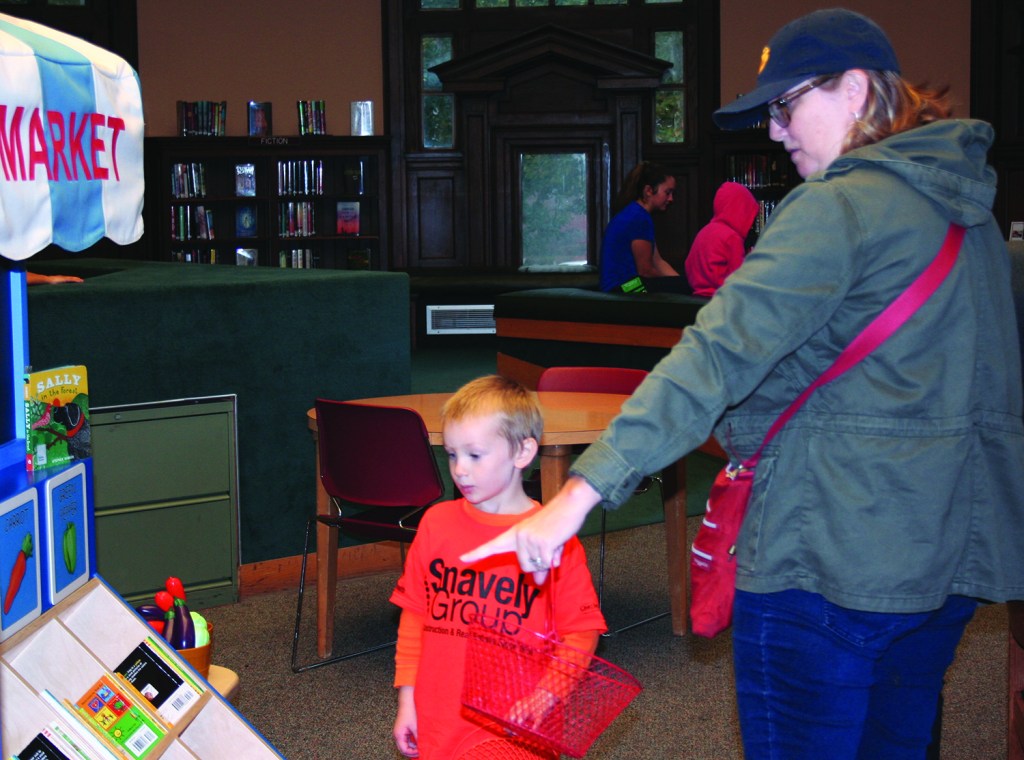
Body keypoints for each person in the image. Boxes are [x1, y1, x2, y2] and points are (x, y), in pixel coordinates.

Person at [462, 8, 1024, 759]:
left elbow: (710, 358)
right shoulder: (975, 216)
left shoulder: (837, 205)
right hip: (945, 561)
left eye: (787, 105)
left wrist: (575, 499)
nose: (775, 128)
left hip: (826, 557)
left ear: (855, 89)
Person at [390, 375, 606, 759]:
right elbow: (413, 618)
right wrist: (408, 698)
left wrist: (547, 695)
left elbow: (583, 631)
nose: (460, 470)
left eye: (475, 455)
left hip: (516, 725)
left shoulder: (551, 536)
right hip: (439, 717)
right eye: (452, 454)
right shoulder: (436, 523)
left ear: (522, 453)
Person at [598, 161, 682, 293]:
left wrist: (679, 283)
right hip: (623, 288)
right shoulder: (639, 217)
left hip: (620, 287)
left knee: (684, 284)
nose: (671, 198)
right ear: (648, 190)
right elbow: (645, 271)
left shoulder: (635, 213)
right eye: (667, 192)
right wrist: (678, 286)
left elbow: (658, 262)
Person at [684, 181, 759, 297]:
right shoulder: (732, 237)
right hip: (723, 300)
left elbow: (689, 264)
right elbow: (738, 276)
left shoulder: (704, 231)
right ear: (741, 210)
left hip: (696, 297)